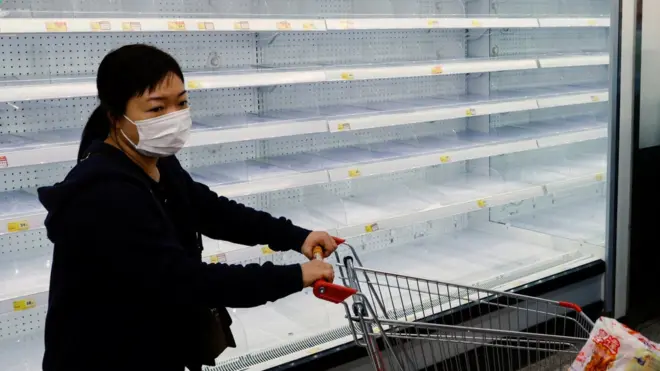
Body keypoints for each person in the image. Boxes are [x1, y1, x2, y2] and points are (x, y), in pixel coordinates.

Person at [37, 44, 338, 371]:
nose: (173, 118)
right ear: (115, 117)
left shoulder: (156, 161)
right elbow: (185, 281)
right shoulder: (105, 193)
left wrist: (296, 236)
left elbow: (211, 210)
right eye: (155, 109)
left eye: (181, 103)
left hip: (154, 345)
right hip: (105, 356)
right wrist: (294, 276)